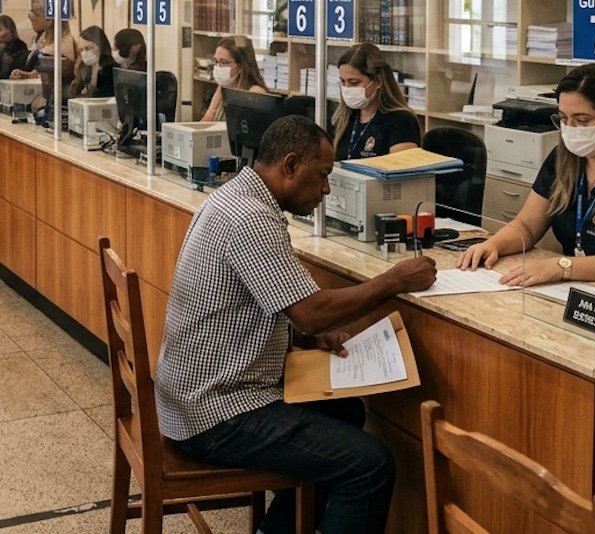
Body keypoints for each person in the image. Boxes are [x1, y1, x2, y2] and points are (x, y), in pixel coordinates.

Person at [155, 115, 437, 534]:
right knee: (370, 466)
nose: (327, 189)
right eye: (322, 174)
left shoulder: (235, 197)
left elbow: (270, 305)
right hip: (214, 413)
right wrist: (392, 281)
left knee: (345, 412)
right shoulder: (250, 218)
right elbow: (310, 310)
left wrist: (304, 335)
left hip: (192, 396)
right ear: (290, 165)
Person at [456, 63, 595, 287]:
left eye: (582, 120)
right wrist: (493, 245)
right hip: (572, 287)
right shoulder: (562, 159)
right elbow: (527, 226)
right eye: (563, 118)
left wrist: (562, 267)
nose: (571, 128)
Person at [332, 42, 421, 160]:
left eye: (354, 83)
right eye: (343, 82)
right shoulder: (344, 117)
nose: (347, 88)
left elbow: (401, 167)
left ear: (378, 81)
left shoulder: (401, 120)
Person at [200, 36, 267, 121]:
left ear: (241, 66)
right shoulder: (224, 86)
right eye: (216, 61)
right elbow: (206, 122)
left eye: (223, 62)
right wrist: (212, 111)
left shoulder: (255, 93)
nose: (217, 67)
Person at [69, 26, 117, 98]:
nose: (84, 53)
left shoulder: (110, 68)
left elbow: (103, 95)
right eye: (81, 50)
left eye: (88, 48)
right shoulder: (83, 66)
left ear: (101, 46)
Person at [0, 15, 28, 79]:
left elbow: (6, 73)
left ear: (9, 31)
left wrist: (2, 52)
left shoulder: (19, 48)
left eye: (0, 30)